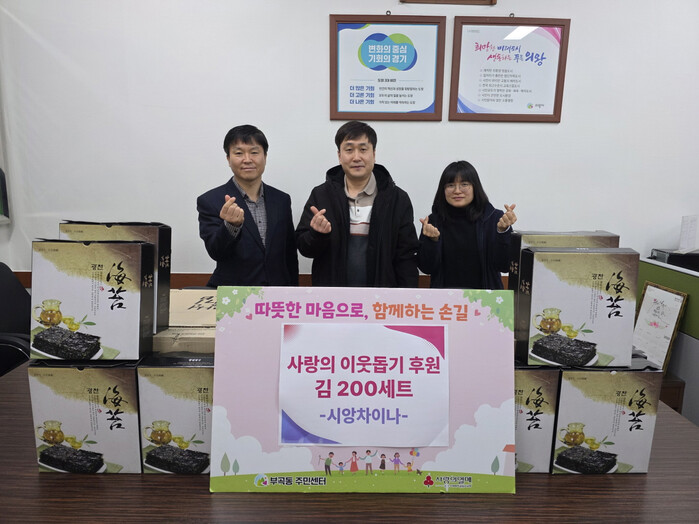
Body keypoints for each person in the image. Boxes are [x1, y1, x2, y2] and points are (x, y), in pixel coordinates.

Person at [295, 121, 419, 287]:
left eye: (363, 149)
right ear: (339, 156)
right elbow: (304, 248)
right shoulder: (321, 195)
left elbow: (406, 257)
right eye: (349, 150)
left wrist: (407, 297)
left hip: (382, 296)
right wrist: (317, 234)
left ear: (374, 154)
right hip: (333, 296)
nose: (356, 157)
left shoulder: (397, 199)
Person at [197, 125, 298, 287]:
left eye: (254, 152)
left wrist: (293, 292)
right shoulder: (211, 200)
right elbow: (216, 252)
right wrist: (230, 226)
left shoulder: (282, 200)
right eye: (238, 153)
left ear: (265, 156)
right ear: (228, 159)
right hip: (235, 295)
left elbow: (290, 254)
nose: (247, 159)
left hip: (277, 294)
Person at [417, 160, 517, 290]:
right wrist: (433, 241)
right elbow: (426, 268)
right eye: (451, 185)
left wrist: (503, 232)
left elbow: (504, 266)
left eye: (464, 184)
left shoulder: (495, 218)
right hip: (444, 299)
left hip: (486, 299)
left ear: (475, 187)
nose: (457, 191)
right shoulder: (433, 221)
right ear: (443, 189)